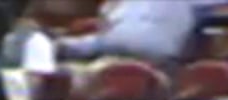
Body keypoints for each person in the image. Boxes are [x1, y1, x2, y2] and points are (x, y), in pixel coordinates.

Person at [54, 0, 202, 68]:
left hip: (154, 66)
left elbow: (139, 43)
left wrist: (66, 46)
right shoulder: (116, 7)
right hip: (105, 58)